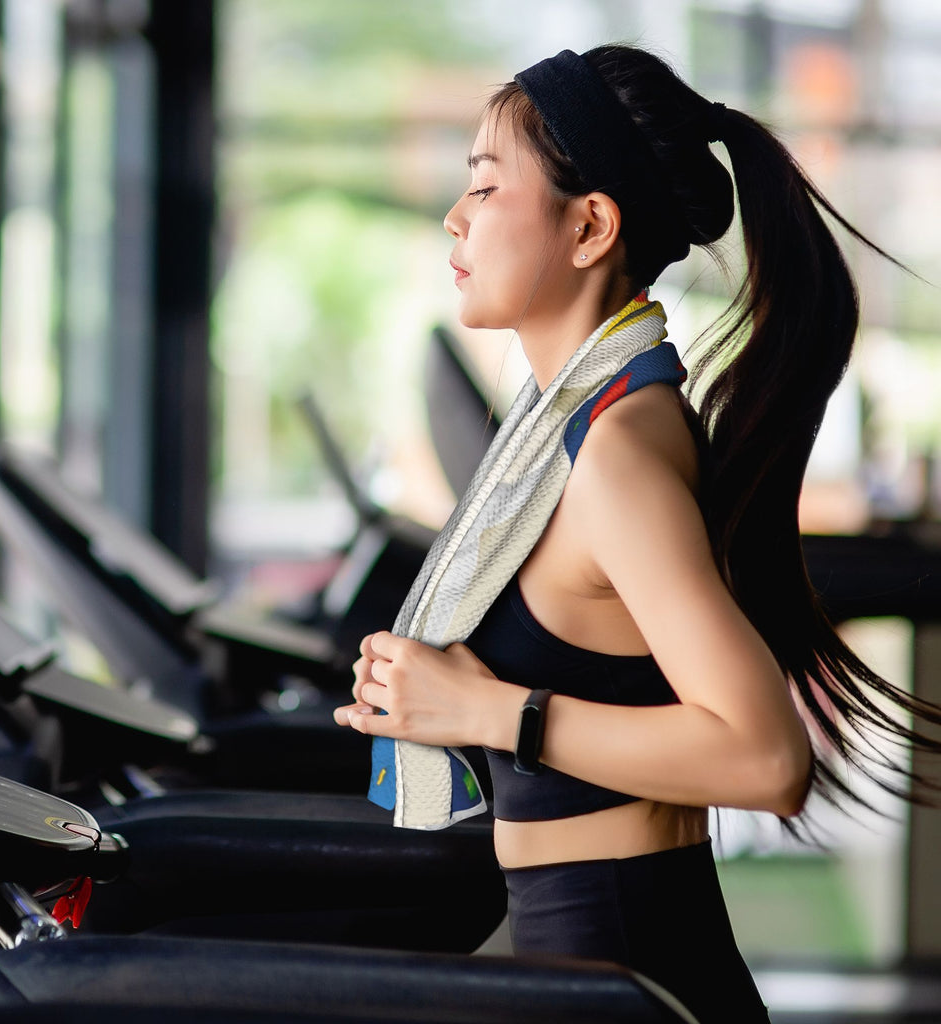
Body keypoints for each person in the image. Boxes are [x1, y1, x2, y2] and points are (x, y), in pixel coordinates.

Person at [333, 44, 941, 1023]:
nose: (456, 216)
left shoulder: (613, 451)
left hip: (623, 959)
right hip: (596, 951)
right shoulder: (579, 418)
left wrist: (490, 714)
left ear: (589, 225)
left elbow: (766, 757)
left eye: (485, 187)